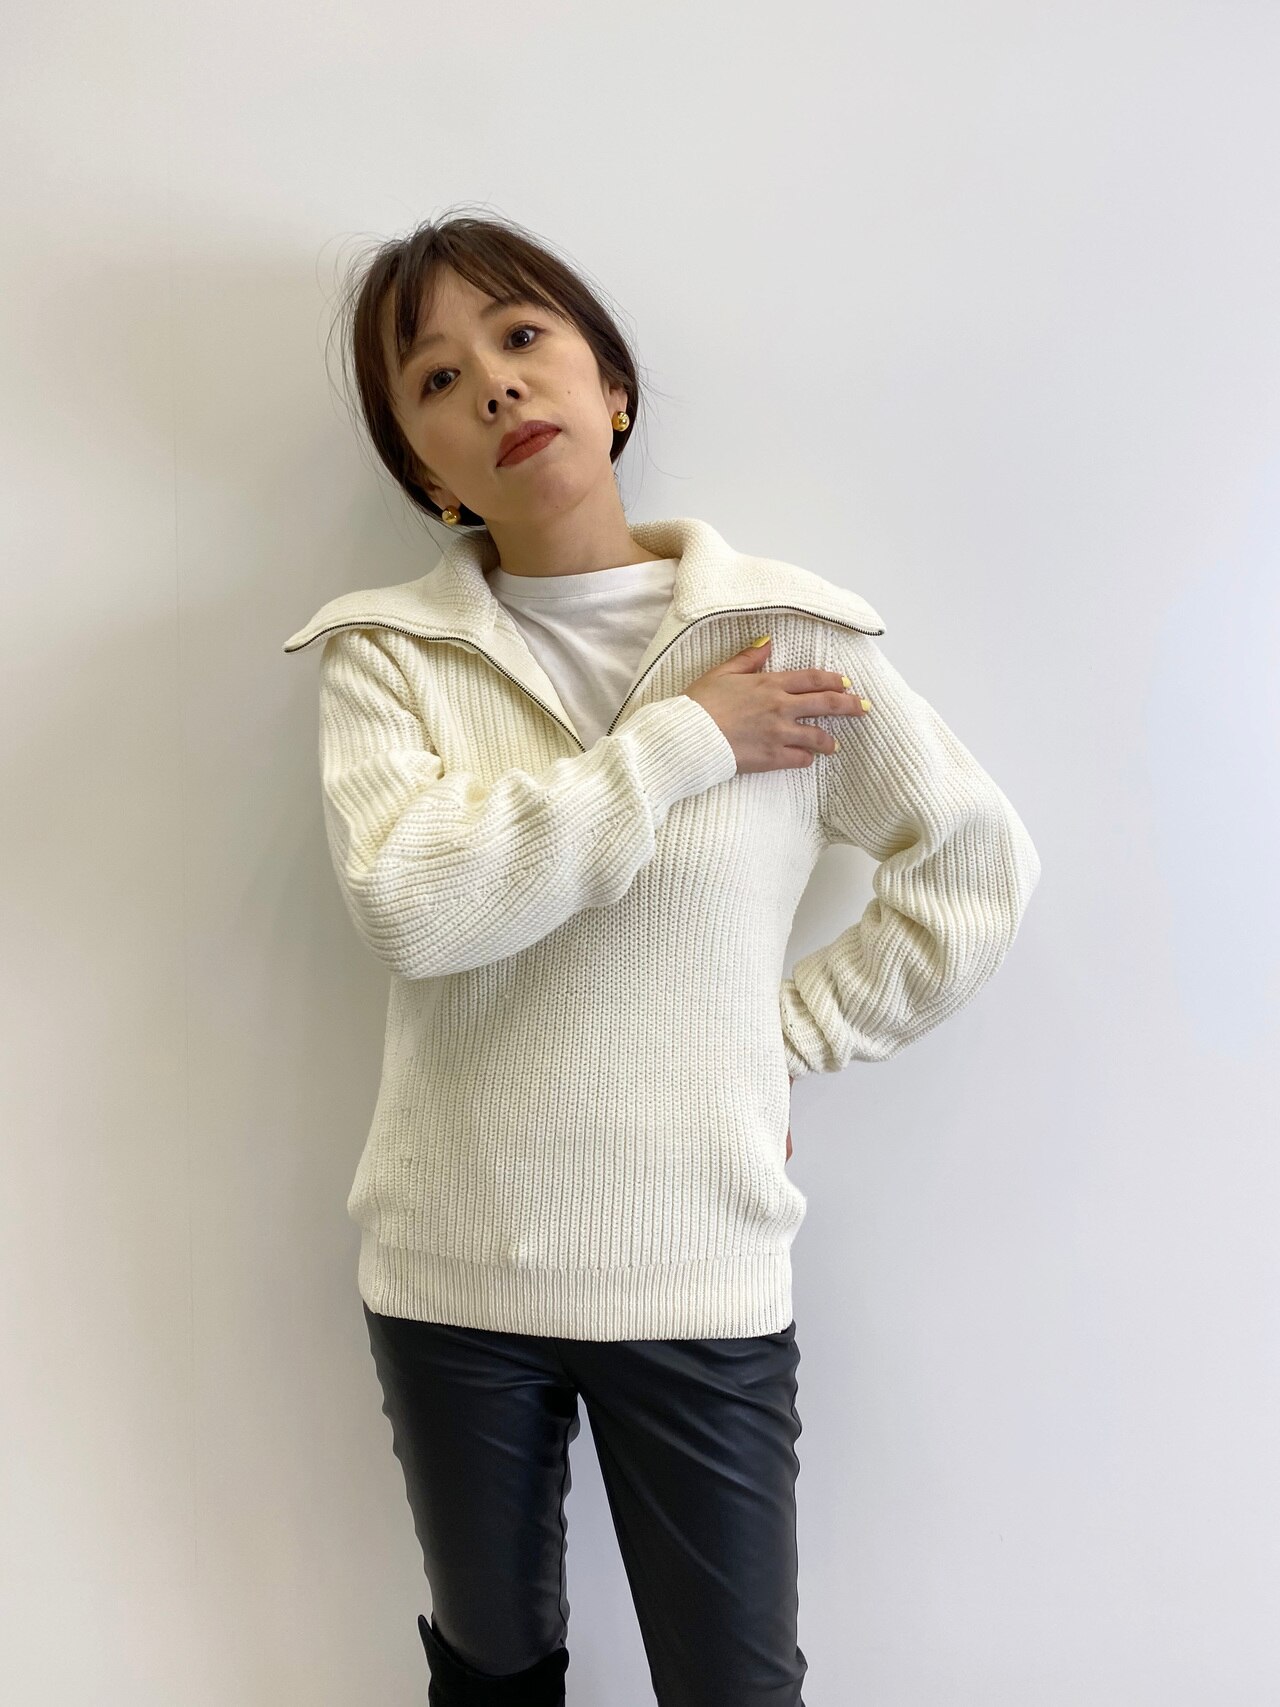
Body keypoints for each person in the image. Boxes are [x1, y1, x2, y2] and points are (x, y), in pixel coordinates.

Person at [282, 209, 1042, 1706]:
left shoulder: (787, 640)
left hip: (696, 1269)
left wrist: (783, 1039)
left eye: (520, 337)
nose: (494, 386)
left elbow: (972, 870)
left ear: (609, 386)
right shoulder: (387, 656)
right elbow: (413, 907)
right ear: (424, 472)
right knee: (494, 1674)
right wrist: (684, 743)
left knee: (736, 1689)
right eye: (436, 380)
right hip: (452, 1271)